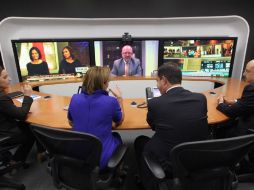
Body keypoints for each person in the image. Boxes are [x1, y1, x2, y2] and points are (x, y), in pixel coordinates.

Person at [134, 63, 210, 190]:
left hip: (170, 164)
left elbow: (153, 126)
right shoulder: (200, 98)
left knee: (140, 142)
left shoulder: (155, 103)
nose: (157, 85)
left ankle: (146, 182)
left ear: (164, 80)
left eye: (157, 81)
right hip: (197, 160)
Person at [68, 66, 124, 169]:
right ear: (103, 83)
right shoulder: (111, 101)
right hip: (101, 160)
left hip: (77, 157)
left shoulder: (75, 98)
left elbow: (71, 122)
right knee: (117, 136)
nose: (108, 84)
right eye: (107, 82)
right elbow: (119, 121)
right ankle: (118, 170)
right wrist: (120, 99)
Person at [0, 66, 45, 166]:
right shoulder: (2, 98)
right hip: (6, 133)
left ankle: (41, 152)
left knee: (29, 125)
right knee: (33, 130)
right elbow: (21, 115)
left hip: (4, 126)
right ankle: (16, 160)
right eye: (5, 77)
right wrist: (27, 96)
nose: (10, 79)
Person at [217, 59, 254, 137]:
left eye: (247, 71)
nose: (243, 74)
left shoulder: (252, 88)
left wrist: (220, 103)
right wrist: (234, 101)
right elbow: (248, 103)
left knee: (220, 128)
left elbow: (230, 112)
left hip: (245, 135)